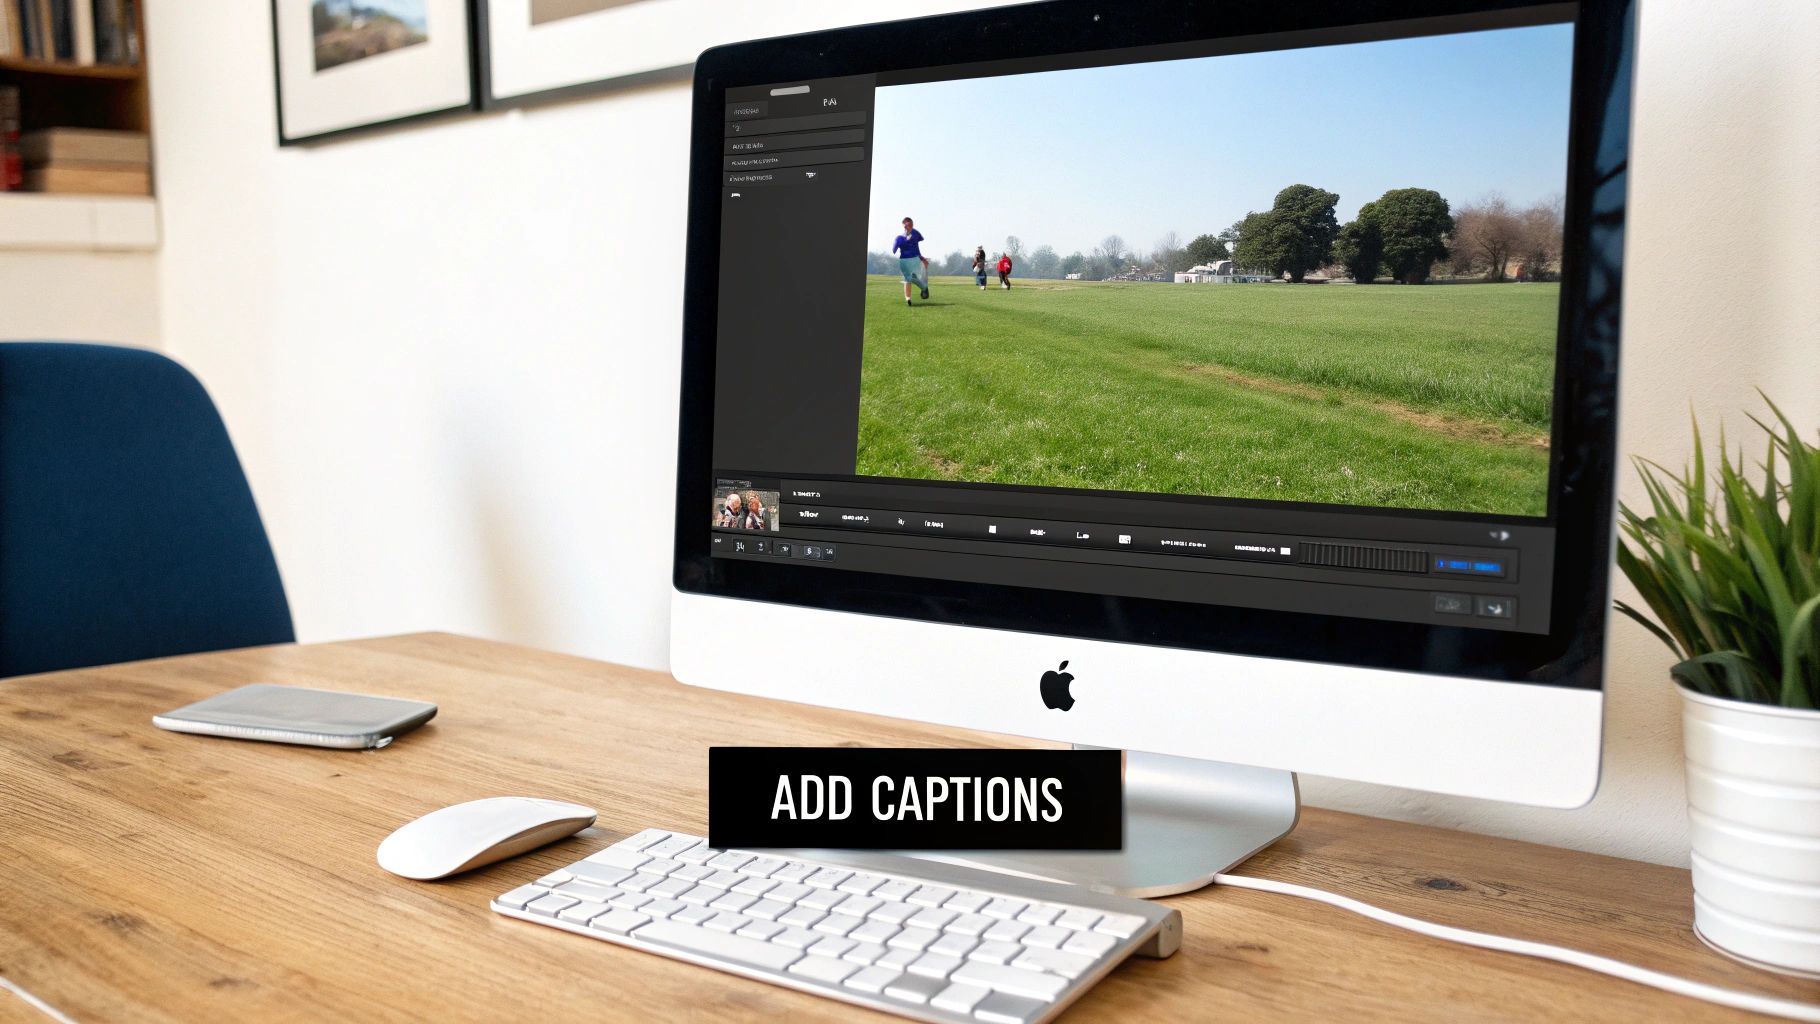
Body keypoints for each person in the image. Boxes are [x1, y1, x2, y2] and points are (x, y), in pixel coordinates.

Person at [892, 217, 929, 306]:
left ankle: (923, 288)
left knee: (910, 278)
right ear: (903, 226)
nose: (907, 227)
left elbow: (918, 244)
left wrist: (921, 258)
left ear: (912, 225)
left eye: (910, 225)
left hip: (915, 259)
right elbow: (893, 250)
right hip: (904, 260)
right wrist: (899, 242)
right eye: (906, 225)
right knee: (908, 278)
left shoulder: (916, 233)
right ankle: (909, 298)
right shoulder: (899, 238)